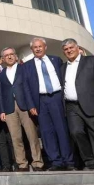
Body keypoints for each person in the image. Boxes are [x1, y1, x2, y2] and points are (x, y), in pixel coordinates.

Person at [58, 38, 94, 184]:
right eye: (66, 49)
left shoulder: (92, 61)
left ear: (78, 48)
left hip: (93, 106)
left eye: (71, 47)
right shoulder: (63, 67)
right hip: (72, 107)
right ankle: (90, 161)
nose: (69, 51)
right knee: (76, 132)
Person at [23, 37, 73, 171]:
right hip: (40, 101)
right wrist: (31, 105)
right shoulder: (27, 66)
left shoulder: (56, 60)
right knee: (46, 132)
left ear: (45, 47)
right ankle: (55, 161)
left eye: (40, 46)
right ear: (32, 49)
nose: (38, 49)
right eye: (35, 47)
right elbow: (26, 87)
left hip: (56, 97)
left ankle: (68, 161)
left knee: (62, 129)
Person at [0, 47, 43, 171]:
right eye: (6, 55)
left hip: (25, 106)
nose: (10, 57)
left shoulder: (24, 69)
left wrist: (32, 105)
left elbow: (31, 87)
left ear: (16, 56)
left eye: (12, 54)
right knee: (15, 138)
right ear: (3, 58)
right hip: (9, 109)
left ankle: (37, 162)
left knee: (32, 135)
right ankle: (22, 163)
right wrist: (2, 110)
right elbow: (0, 94)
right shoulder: (1, 74)